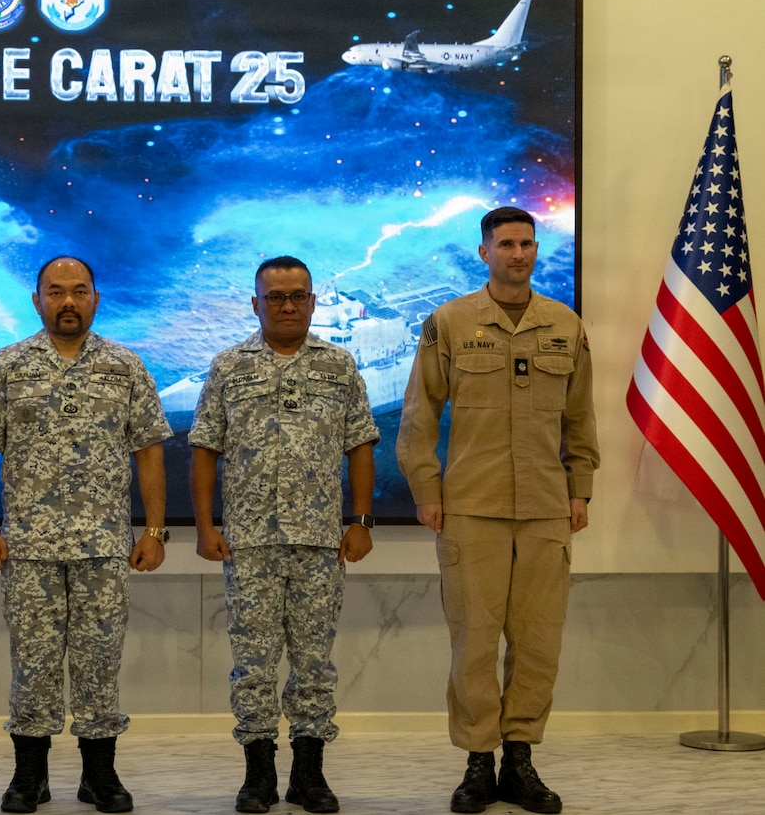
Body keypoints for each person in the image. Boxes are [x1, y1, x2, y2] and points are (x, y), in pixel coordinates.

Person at [396, 206, 598, 815]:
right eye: (506, 244)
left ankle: (520, 760)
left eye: (527, 244)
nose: (518, 254)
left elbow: (580, 416)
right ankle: (478, 764)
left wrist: (580, 487)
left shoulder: (565, 325)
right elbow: (418, 416)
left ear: (537, 251)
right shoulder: (450, 322)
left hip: (544, 509)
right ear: (483, 252)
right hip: (472, 508)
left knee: (538, 642)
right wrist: (427, 490)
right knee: (475, 642)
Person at [0, 256, 171, 815]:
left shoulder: (125, 366)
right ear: (37, 301)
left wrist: (154, 530)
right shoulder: (8, 366)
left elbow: (149, 449)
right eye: (56, 292)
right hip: (28, 547)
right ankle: (29, 777)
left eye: (79, 291)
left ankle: (100, 777)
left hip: (104, 547)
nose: (68, 301)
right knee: (32, 661)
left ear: (96, 299)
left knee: (100, 659)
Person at [188, 256, 379, 815]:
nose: (288, 304)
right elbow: (205, 449)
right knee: (253, 662)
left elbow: (360, 445)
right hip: (249, 544)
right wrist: (204, 527)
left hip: (320, 542)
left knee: (315, 662)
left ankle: (309, 774)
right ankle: (258, 775)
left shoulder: (339, 366)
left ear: (314, 301)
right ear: (255, 304)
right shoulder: (229, 367)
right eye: (275, 296)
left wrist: (362, 522)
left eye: (298, 295)